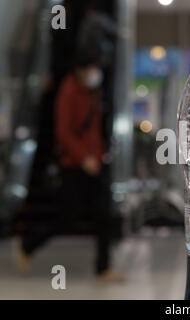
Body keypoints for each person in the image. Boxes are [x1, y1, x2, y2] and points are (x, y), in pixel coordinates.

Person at [16, 56, 123, 282]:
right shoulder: (69, 92)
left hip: (95, 163)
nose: (96, 73)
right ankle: (28, 244)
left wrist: (98, 155)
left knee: (103, 214)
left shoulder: (93, 91)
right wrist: (84, 158)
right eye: (92, 68)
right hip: (74, 166)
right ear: (81, 69)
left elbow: (94, 130)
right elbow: (63, 133)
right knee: (67, 217)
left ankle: (103, 268)